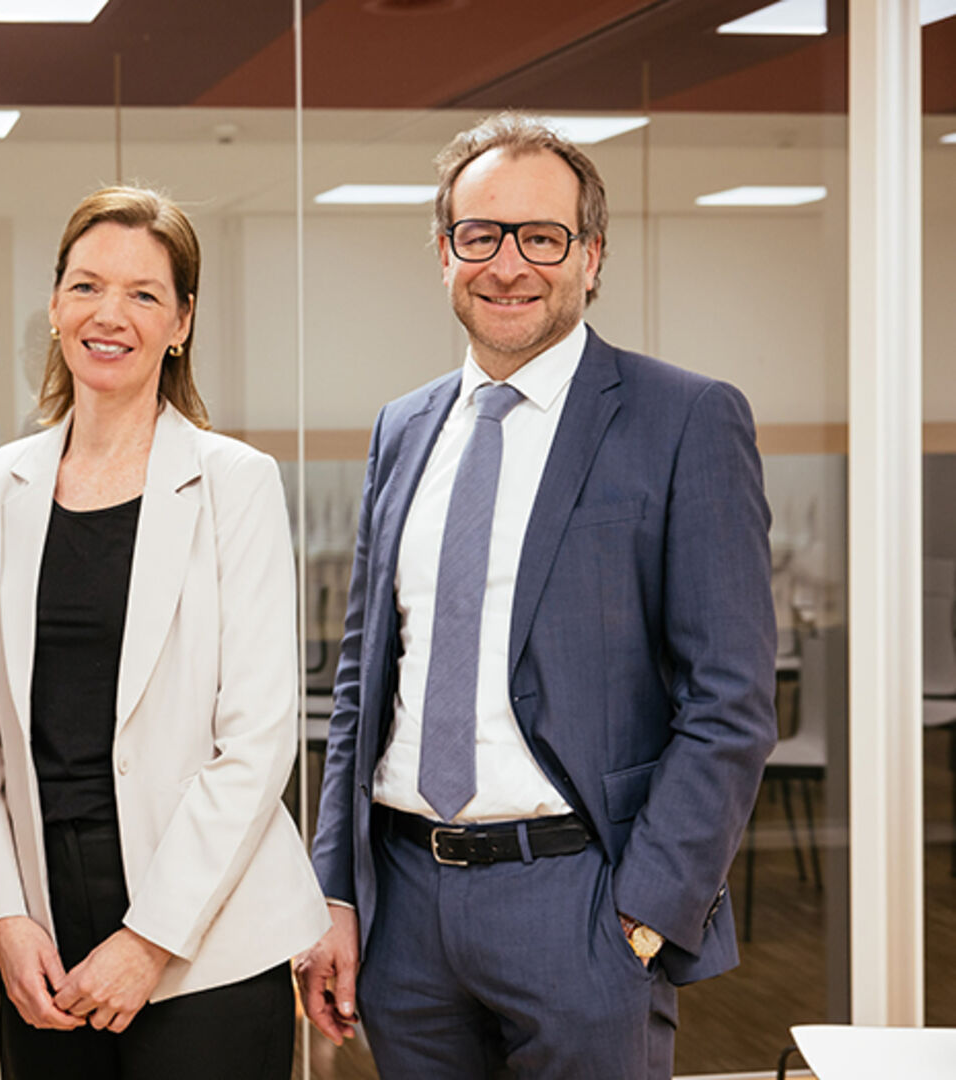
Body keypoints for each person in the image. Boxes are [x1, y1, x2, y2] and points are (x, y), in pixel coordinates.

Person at [295, 112, 778, 1079]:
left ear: (590, 257)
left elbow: (730, 699)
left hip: (581, 906)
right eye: (480, 235)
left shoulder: (683, 418)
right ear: (444, 253)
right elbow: (362, 682)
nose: (508, 265)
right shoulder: (402, 428)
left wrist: (647, 909)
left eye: (541, 237)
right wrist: (334, 890)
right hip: (404, 907)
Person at [0, 186, 328, 1080]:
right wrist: (3, 917)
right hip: (43, 928)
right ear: (54, 305)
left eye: (143, 294)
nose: (108, 315)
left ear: (181, 321)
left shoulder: (235, 482)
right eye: (86, 286)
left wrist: (148, 940)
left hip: (205, 934)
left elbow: (257, 740)